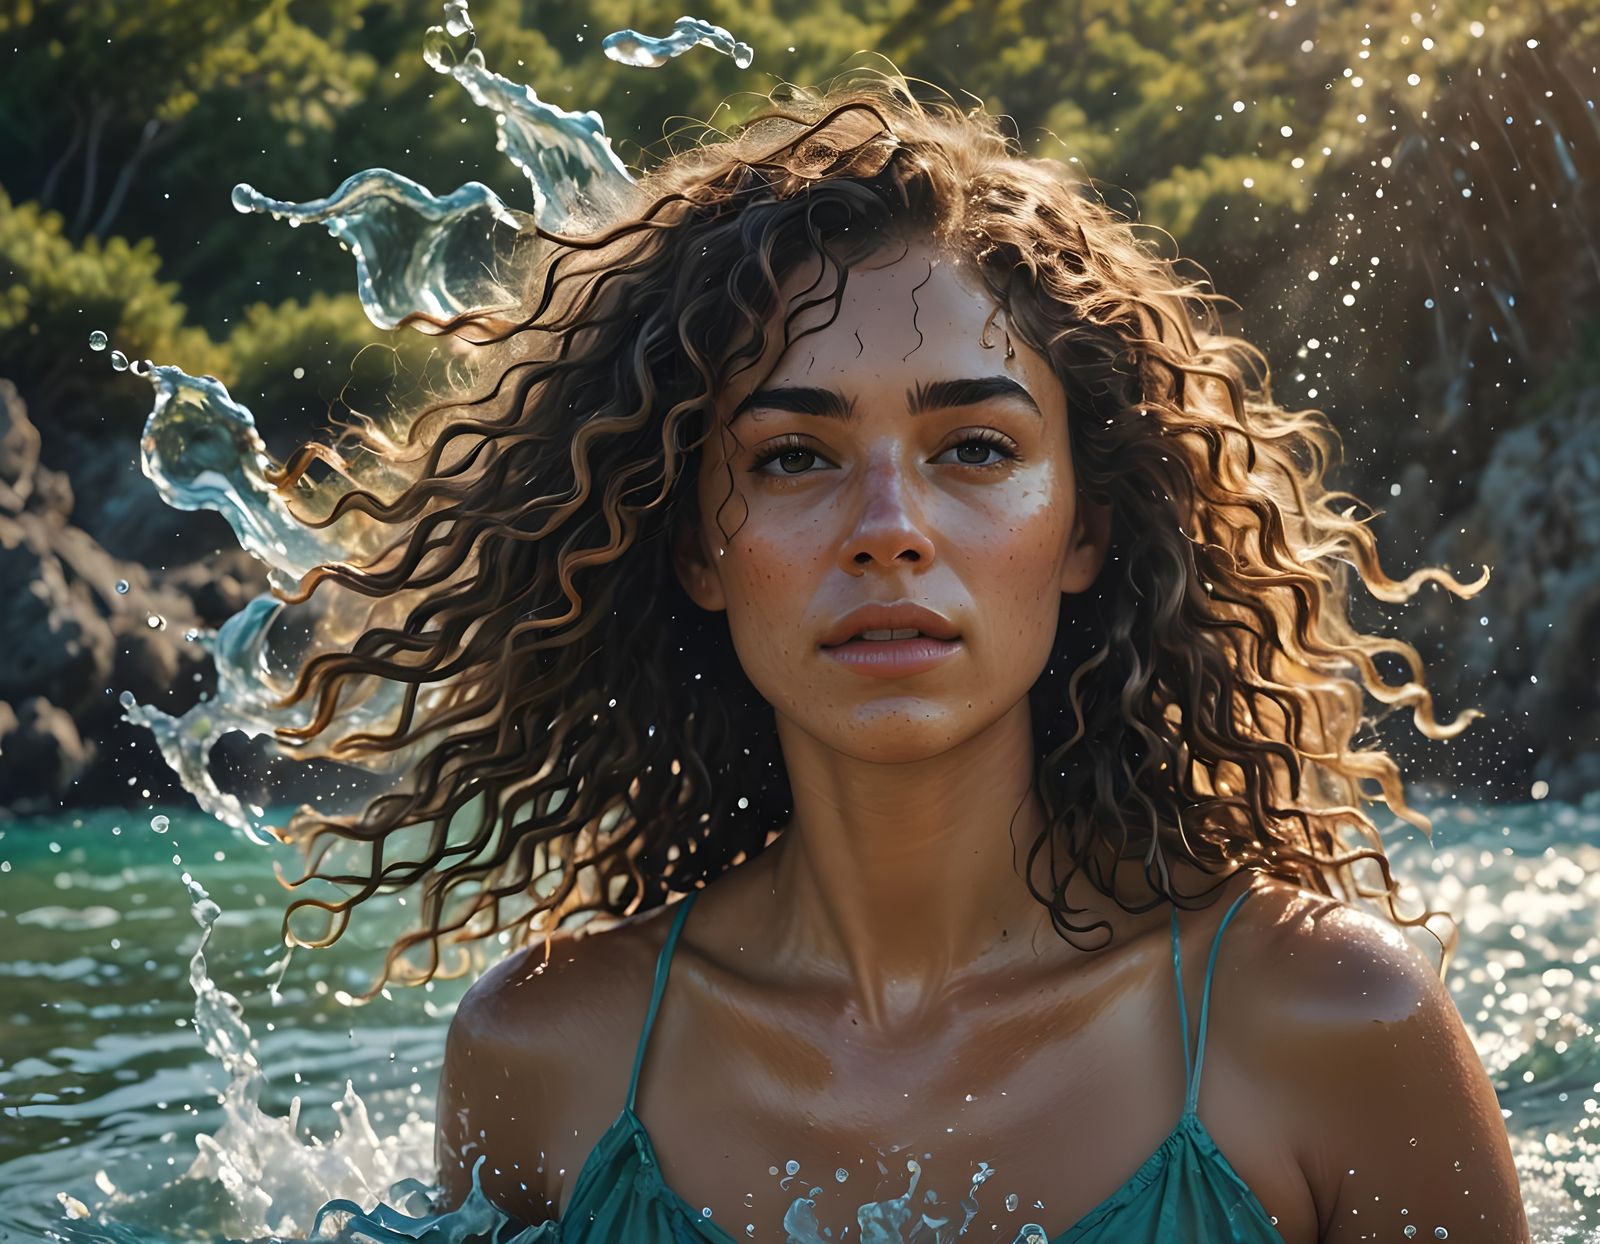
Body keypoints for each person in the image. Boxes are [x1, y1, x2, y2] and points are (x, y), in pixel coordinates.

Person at [266, 75, 1529, 1241]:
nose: (887, 529)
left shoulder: (1333, 1026)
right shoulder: (545, 1056)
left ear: (1084, 527)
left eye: (974, 447)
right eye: (791, 456)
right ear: (694, 547)